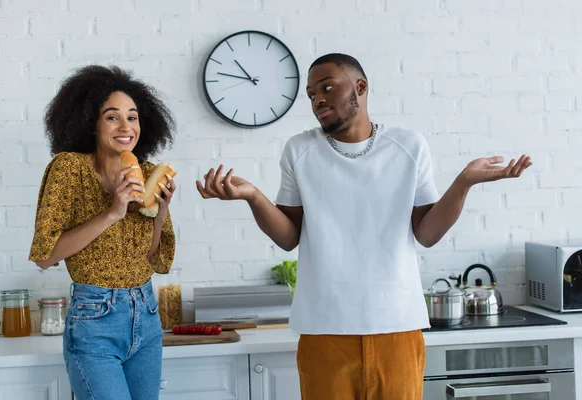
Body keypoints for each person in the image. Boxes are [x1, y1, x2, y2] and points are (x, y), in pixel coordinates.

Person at [196, 53, 532, 399]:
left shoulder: (408, 146)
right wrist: (253, 196)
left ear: (361, 87)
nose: (318, 99)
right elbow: (288, 237)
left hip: (397, 326)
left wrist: (463, 183)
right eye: (311, 94)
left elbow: (428, 233)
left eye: (327, 87)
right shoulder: (299, 150)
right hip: (324, 329)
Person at [28, 65, 177, 400]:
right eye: (112, 117)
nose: (126, 127)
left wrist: (161, 211)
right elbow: (44, 255)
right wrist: (114, 211)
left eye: (133, 117)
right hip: (95, 319)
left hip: (147, 314)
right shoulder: (69, 170)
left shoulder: (149, 173)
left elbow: (155, 259)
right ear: (90, 124)